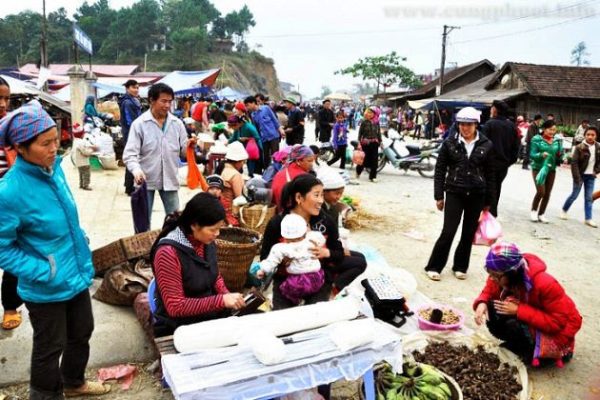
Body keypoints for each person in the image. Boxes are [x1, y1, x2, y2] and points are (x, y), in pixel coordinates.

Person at [0, 100, 110, 398]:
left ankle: (74, 383)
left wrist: (81, 242)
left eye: (55, 139)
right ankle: (45, 394)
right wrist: (42, 269)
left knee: (81, 332)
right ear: (21, 148)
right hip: (45, 285)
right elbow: (2, 248)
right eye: (45, 143)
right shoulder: (9, 191)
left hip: (74, 272)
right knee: (50, 346)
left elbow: (67, 219)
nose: (54, 148)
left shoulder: (55, 170)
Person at [261, 174, 366, 310]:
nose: (321, 200)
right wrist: (281, 262)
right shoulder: (278, 223)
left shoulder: (326, 222)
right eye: (316, 195)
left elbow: (339, 253)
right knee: (284, 321)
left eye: (322, 195)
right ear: (299, 198)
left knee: (314, 317)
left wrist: (326, 252)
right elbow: (264, 257)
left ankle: (332, 292)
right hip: (287, 282)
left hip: (318, 278)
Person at [151, 193, 245, 337]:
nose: (217, 234)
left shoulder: (206, 241)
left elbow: (214, 276)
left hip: (207, 316)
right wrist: (221, 301)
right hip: (179, 326)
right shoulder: (168, 253)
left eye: (219, 228)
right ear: (194, 225)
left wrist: (227, 295)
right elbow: (175, 307)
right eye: (213, 229)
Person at [474, 242, 582, 366]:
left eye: (495, 275)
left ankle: (545, 353)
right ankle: (517, 343)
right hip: (532, 316)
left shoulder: (546, 284)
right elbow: (490, 288)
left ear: (512, 273)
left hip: (559, 331)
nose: (492, 278)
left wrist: (519, 310)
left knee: (515, 325)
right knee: (493, 307)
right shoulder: (501, 274)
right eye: (489, 273)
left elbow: (557, 323)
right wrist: (482, 302)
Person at [425, 107, 495, 281]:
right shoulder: (449, 143)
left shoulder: (486, 144)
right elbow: (440, 169)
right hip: (454, 192)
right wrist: (438, 195)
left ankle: (460, 266)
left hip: (477, 194)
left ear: (476, 125)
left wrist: (489, 201)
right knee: (448, 231)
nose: (465, 128)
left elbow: (491, 174)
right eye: (462, 124)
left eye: (469, 125)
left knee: (468, 232)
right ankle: (434, 266)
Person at [123, 83, 191, 229]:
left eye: (169, 101)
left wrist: (191, 147)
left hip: (170, 178)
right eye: (163, 101)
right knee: (142, 223)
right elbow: (130, 154)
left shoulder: (177, 124)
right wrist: (136, 170)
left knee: (176, 222)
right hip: (145, 179)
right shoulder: (139, 124)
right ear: (151, 100)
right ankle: (143, 251)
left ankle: (171, 248)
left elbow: (184, 152)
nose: (167, 105)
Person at [257, 214, 326, 305]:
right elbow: (321, 239)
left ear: (284, 235)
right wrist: (309, 233)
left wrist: (262, 270)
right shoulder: (312, 239)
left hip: (297, 282)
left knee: (284, 289)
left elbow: (271, 262)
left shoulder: (281, 248)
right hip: (317, 277)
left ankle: (295, 300)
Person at [0, 77, 23, 331]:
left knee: (13, 258)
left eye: (6, 98)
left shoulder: (12, 130)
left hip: (9, 205)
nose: (3, 104)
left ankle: (9, 306)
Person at [481, 100, 520, 217]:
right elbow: (516, 149)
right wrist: (507, 162)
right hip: (503, 166)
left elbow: (481, 145)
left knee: (486, 189)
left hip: (488, 165)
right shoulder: (512, 127)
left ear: (494, 110)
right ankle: (491, 215)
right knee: (496, 188)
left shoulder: (489, 125)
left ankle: (487, 216)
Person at [560, 127, 600, 227]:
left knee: (588, 198)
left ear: (596, 136)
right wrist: (577, 178)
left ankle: (588, 218)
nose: (590, 137)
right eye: (588, 134)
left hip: (591, 176)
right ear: (585, 135)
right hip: (580, 175)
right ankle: (564, 210)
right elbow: (574, 163)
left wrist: (596, 171)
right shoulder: (579, 147)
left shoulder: (598, 147)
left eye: (593, 135)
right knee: (574, 195)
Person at [529, 120, 563, 223]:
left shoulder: (557, 140)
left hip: (551, 169)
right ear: (544, 129)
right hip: (538, 168)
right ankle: (534, 211)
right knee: (541, 191)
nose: (552, 132)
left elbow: (560, 156)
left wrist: (561, 157)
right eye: (550, 129)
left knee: (547, 193)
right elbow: (532, 154)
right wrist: (540, 155)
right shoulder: (536, 139)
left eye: (554, 130)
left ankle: (541, 214)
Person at [244, 96, 284, 169]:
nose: (247, 108)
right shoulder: (253, 115)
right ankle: (266, 173)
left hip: (273, 136)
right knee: (265, 158)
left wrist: (281, 130)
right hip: (263, 139)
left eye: (248, 105)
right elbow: (256, 128)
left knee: (276, 156)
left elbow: (274, 120)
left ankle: (277, 172)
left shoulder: (266, 108)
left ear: (253, 103)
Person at [271, 145, 316, 209]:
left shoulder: (280, 172)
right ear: (298, 161)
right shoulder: (304, 177)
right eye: (309, 161)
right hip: (293, 212)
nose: (312, 164)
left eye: (312, 161)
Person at [119, 79, 142, 195]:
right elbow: (130, 121)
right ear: (127, 89)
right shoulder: (127, 102)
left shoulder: (134, 101)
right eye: (134, 87)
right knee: (131, 158)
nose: (136, 90)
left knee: (132, 158)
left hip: (133, 133)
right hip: (130, 134)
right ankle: (129, 187)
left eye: (137, 87)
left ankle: (129, 184)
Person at [217, 141, 248, 226]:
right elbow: (239, 198)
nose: (242, 164)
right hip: (230, 210)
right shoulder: (235, 174)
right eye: (242, 162)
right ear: (238, 161)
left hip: (223, 208)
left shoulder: (225, 170)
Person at [356, 107, 382, 183]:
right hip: (365, 143)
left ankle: (372, 177)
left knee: (374, 160)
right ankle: (358, 173)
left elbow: (379, 133)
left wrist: (380, 141)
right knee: (363, 159)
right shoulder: (364, 122)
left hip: (374, 143)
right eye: (368, 112)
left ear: (375, 114)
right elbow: (360, 133)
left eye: (371, 113)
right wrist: (359, 143)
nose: (369, 114)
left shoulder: (377, 122)